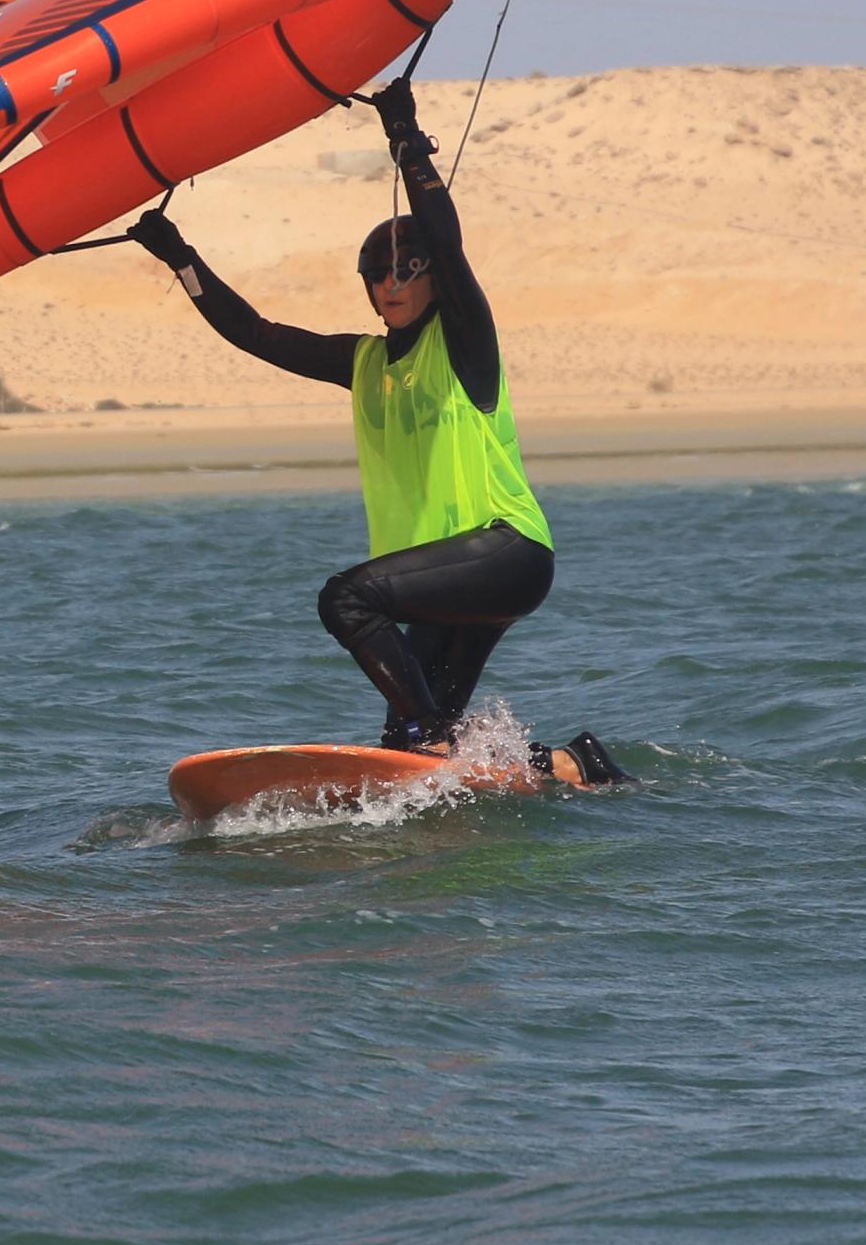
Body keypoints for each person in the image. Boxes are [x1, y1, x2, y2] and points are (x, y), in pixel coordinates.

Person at [131, 79, 592, 770]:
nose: (392, 285)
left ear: (432, 280)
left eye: (408, 271)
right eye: (378, 275)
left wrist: (405, 141)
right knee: (414, 749)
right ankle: (568, 767)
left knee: (348, 600)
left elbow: (446, 240)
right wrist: (182, 259)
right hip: (452, 585)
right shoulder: (364, 362)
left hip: (507, 552)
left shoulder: (463, 340)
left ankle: (433, 737)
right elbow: (255, 332)